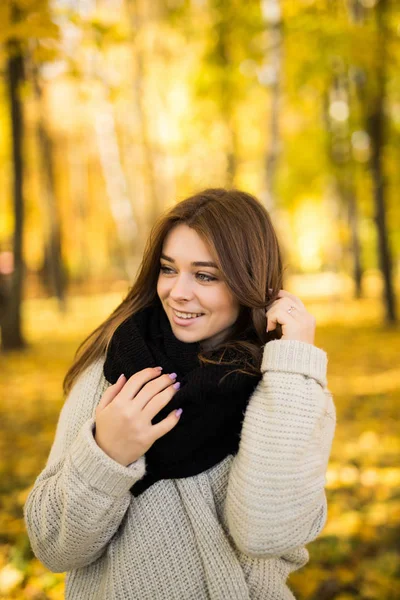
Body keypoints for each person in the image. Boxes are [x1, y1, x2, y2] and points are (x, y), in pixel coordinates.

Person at [24, 188, 336, 600]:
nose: (177, 292)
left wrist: (294, 363)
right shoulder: (113, 375)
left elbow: (265, 533)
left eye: (205, 275)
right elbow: (52, 545)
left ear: (250, 281)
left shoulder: (289, 388)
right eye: (169, 269)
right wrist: (106, 454)